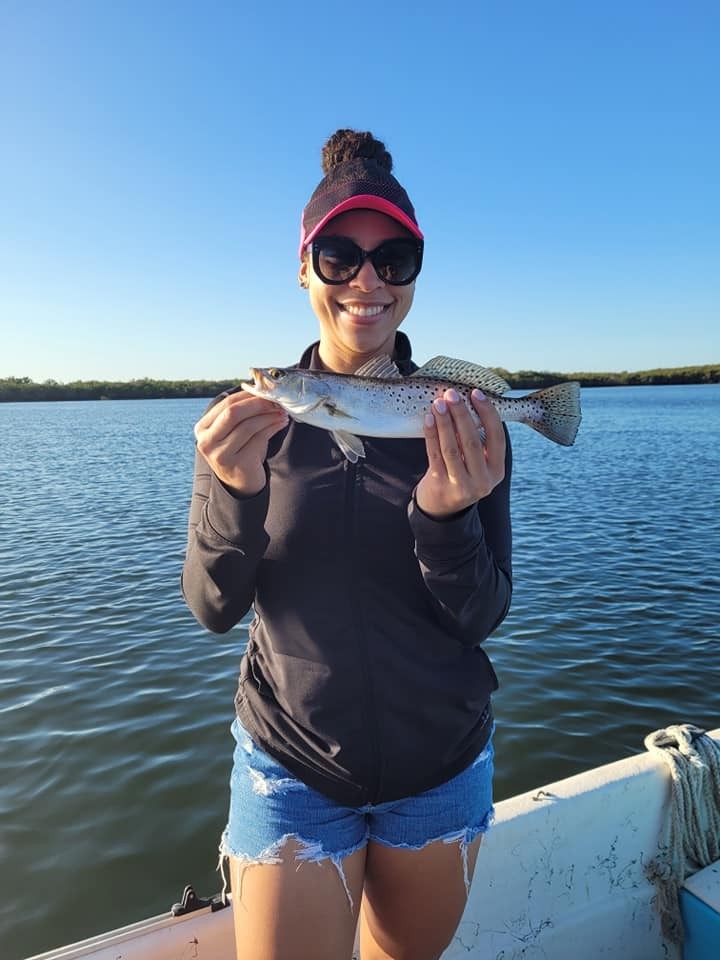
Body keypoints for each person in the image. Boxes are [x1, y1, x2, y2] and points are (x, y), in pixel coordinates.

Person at [182, 129, 512, 960]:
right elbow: (212, 606)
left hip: (441, 764)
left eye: (393, 259)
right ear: (304, 268)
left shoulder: (460, 424)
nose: (367, 280)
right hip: (290, 769)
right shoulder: (246, 432)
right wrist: (238, 490)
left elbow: (481, 615)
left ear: (413, 275)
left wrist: (445, 513)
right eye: (338, 256)